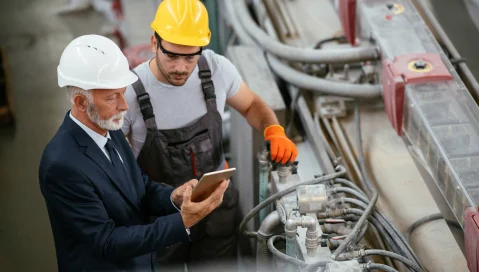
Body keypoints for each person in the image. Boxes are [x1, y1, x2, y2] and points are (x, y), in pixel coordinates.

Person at [121, 0, 299, 270]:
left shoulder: (215, 70)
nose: (181, 67)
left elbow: (251, 105)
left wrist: (273, 130)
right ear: (154, 43)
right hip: (161, 219)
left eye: (190, 57)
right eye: (172, 55)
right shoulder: (130, 93)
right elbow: (114, 163)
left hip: (216, 210)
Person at [39, 34, 229, 271]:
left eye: (122, 92)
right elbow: (107, 241)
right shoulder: (62, 166)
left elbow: (140, 186)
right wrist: (183, 221)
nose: (125, 105)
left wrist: (174, 198)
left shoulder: (110, 128)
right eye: (112, 97)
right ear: (80, 102)